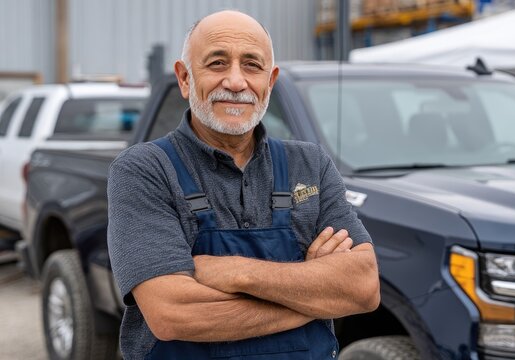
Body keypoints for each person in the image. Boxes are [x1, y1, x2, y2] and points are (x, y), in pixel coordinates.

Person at [107, 10, 380, 360]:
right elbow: (173, 314)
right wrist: (316, 298)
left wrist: (235, 273)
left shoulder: (310, 164)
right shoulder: (144, 170)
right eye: (217, 63)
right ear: (185, 78)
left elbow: (363, 288)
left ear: (271, 80)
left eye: (252, 65)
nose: (236, 82)